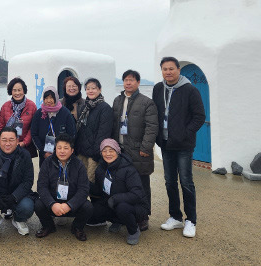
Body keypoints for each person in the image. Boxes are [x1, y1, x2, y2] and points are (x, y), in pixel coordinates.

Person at [152, 56, 206, 238]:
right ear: (162, 71)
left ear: (178, 70)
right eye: (165, 69)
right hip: (166, 144)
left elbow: (199, 116)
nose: (168, 72)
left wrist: (185, 133)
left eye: (171, 69)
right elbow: (156, 114)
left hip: (183, 145)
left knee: (186, 182)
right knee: (169, 182)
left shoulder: (190, 90)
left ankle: (191, 220)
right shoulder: (158, 88)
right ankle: (175, 216)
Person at [112, 70, 158, 231]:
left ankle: (143, 216)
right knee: (122, 184)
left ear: (138, 83)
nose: (128, 83)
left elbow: (152, 127)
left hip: (139, 151)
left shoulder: (146, 102)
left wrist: (146, 147)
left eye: (131, 80)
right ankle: (123, 216)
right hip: (121, 150)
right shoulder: (117, 101)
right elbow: (113, 125)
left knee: (141, 184)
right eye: (125, 80)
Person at [88, 139, 148, 246]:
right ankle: (117, 221)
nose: (108, 154)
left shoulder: (128, 169)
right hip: (112, 203)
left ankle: (133, 231)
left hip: (135, 206)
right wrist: (86, 184)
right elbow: (99, 190)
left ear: (117, 151)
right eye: (104, 151)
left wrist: (115, 198)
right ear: (101, 153)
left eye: (111, 150)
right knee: (94, 210)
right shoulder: (100, 169)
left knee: (122, 208)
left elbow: (137, 194)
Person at [34, 133, 93, 241]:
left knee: (88, 207)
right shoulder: (47, 163)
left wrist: (69, 205)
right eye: (59, 148)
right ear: (55, 149)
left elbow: (83, 189)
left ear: (72, 150)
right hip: (53, 202)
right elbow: (41, 187)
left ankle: (77, 227)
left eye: (66, 148)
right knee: (38, 204)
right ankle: (48, 226)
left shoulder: (79, 165)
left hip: (72, 203)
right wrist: (52, 204)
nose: (62, 151)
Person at [74, 78, 113, 182]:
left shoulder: (105, 108)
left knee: (91, 182)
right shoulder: (84, 107)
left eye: (93, 88)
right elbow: (81, 130)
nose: (90, 91)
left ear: (99, 89)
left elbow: (103, 133)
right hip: (82, 153)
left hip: (94, 155)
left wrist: (96, 154)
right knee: (80, 181)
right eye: (87, 88)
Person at [31, 85, 76, 168]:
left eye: (51, 98)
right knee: (45, 176)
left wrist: (62, 150)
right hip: (45, 154)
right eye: (46, 98)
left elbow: (72, 134)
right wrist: (43, 152)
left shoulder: (65, 113)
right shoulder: (39, 113)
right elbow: (34, 134)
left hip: (62, 154)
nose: (49, 100)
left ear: (56, 97)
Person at [0, 77, 37, 158]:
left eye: (19, 90)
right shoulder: (5, 106)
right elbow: (1, 126)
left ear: (24, 90)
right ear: (11, 91)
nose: (17, 93)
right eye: (14, 90)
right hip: (8, 145)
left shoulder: (31, 106)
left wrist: (24, 142)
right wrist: (7, 141)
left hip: (26, 147)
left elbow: (33, 128)